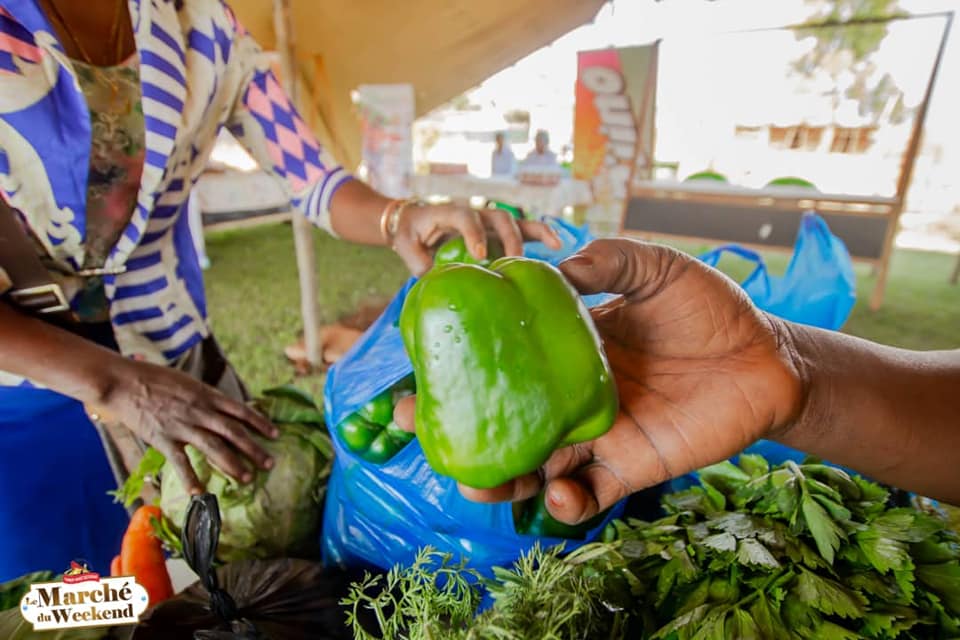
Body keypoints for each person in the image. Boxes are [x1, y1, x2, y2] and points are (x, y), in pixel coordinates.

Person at [0, 0, 560, 580]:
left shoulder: (202, 24)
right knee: (61, 602)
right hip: (28, 394)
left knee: (193, 589)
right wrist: (118, 385)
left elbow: (312, 176)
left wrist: (399, 218)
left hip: (179, 359)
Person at [395, 238, 960, 524]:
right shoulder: (525, 281)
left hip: (564, 418)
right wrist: (788, 370)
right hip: (597, 404)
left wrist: (788, 369)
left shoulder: (449, 298)